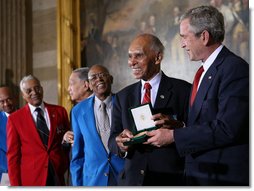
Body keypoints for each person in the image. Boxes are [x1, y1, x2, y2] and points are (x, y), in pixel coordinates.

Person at [162, 5, 249, 185]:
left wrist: (174, 136)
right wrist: (180, 126)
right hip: (202, 175)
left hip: (223, 178)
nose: (182, 44)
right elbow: (206, 120)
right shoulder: (204, 71)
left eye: (184, 37)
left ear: (204, 36)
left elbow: (228, 128)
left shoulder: (234, 68)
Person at [108, 33, 191, 186]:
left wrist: (177, 128)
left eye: (138, 56)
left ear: (157, 58)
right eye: (129, 56)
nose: (132, 62)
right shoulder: (122, 96)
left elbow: (195, 132)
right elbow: (112, 138)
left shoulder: (184, 90)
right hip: (132, 181)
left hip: (170, 180)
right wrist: (120, 143)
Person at [7, 75, 70, 186]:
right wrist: (15, 187)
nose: (34, 92)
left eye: (37, 88)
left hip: (58, 175)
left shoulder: (60, 111)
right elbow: (13, 157)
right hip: (32, 179)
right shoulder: (15, 119)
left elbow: (67, 144)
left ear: (42, 89)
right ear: (23, 96)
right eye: (29, 91)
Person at [70, 65, 124, 186]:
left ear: (111, 79)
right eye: (93, 77)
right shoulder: (78, 111)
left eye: (102, 75)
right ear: (88, 84)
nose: (98, 79)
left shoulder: (124, 102)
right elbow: (77, 155)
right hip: (94, 180)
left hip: (123, 176)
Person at [62, 67, 93, 146]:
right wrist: (66, 138)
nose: (69, 89)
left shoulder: (101, 105)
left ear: (86, 85)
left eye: (71, 84)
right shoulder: (75, 110)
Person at [0, 86, 17, 185]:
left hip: (26, 172)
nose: (6, 104)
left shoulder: (27, 116)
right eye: (2, 101)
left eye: (8, 99)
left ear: (15, 98)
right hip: (3, 176)